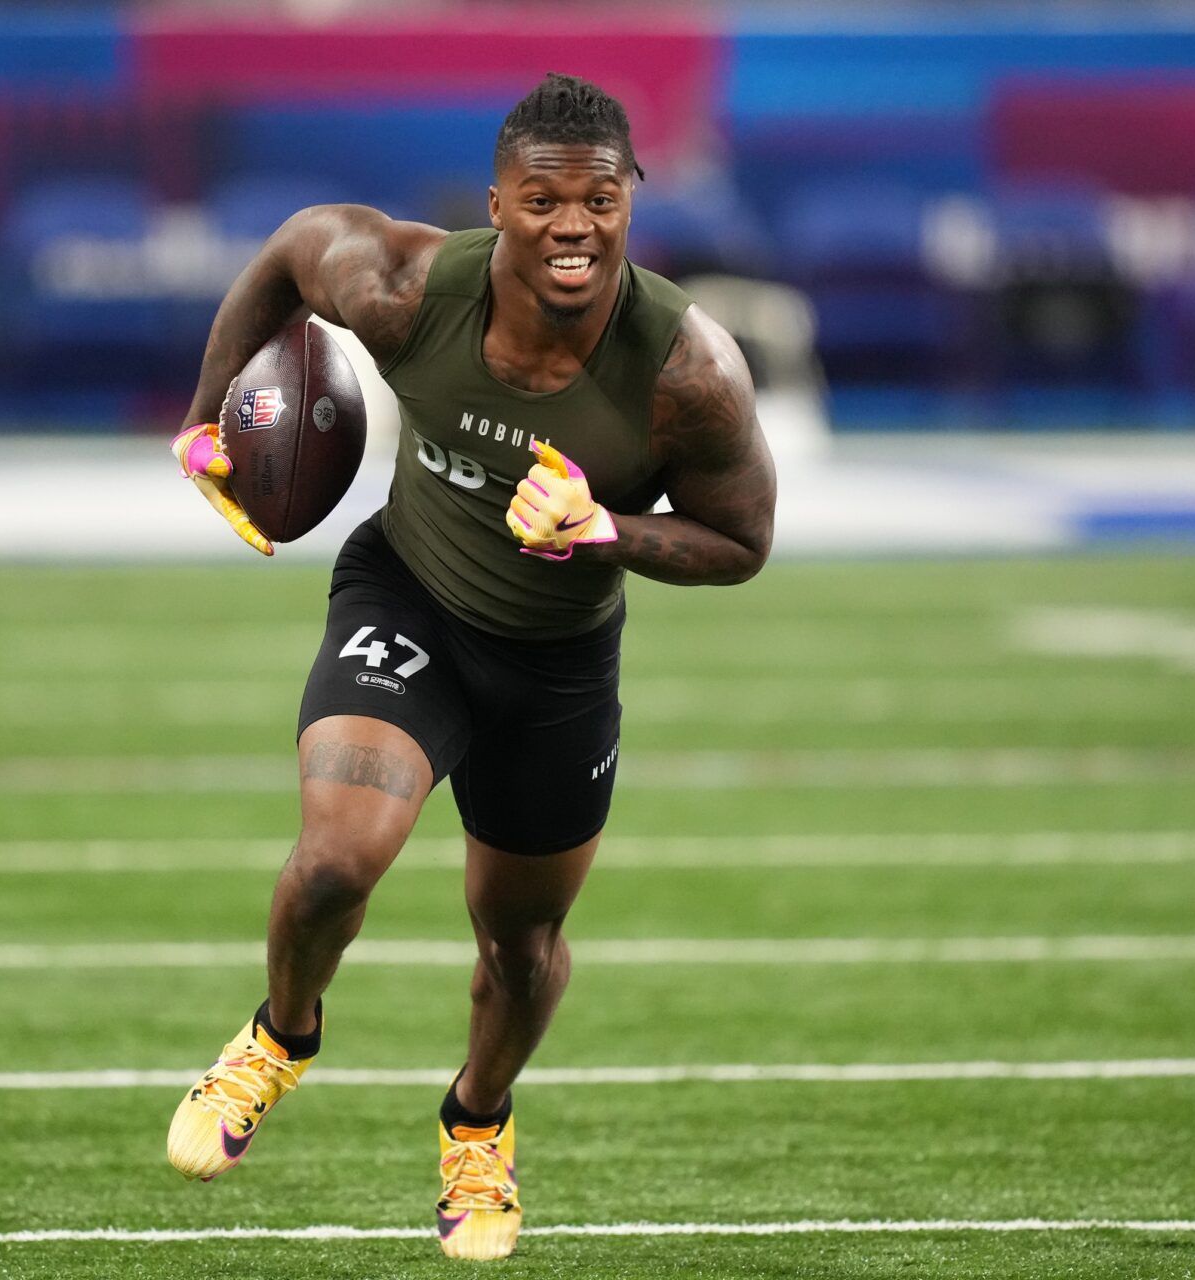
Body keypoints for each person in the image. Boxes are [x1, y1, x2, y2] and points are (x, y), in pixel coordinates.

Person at [164, 72, 776, 1261]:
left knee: (519, 942)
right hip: (413, 599)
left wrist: (609, 529)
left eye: (600, 199)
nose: (573, 225)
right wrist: (205, 418)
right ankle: (281, 1035)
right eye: (542, 199)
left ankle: (477, 1124)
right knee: (338, 858)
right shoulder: (403, 291)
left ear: (631, 202)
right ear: (495, 204)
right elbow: (293, 250)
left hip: (557, 664)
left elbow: (743, 544)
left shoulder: (687, 370)